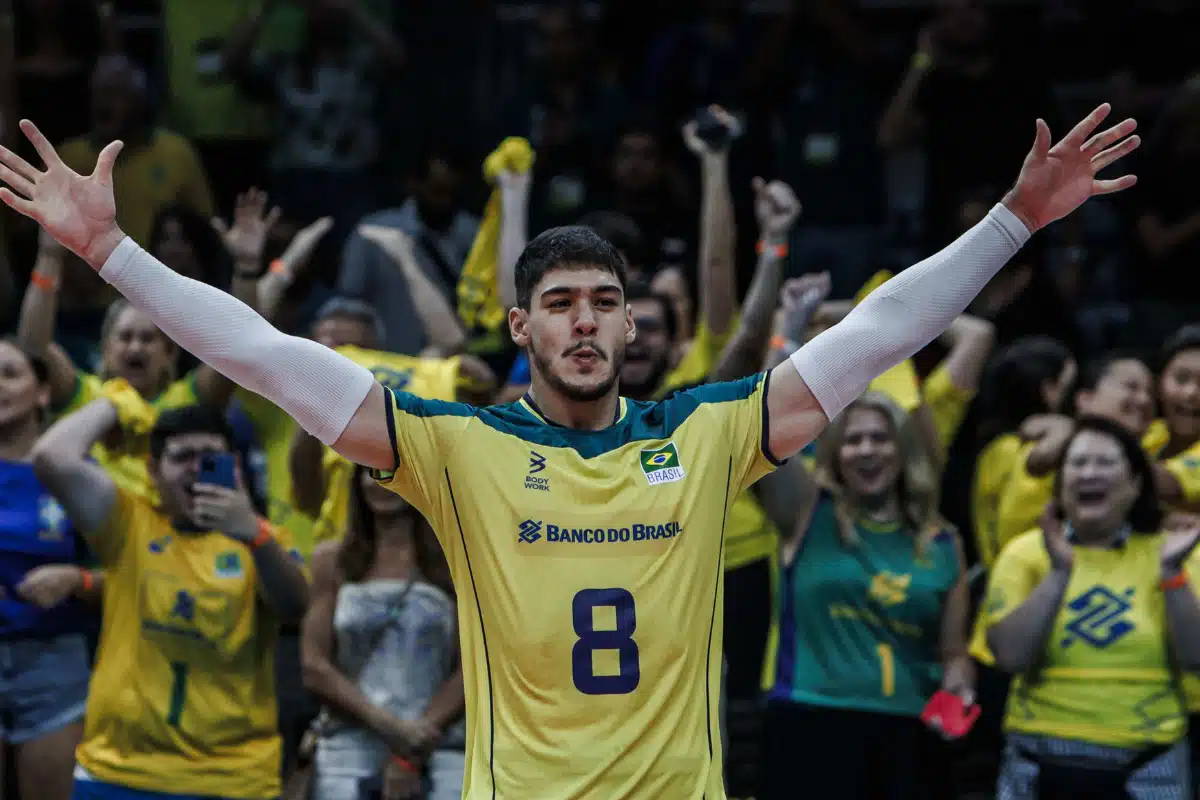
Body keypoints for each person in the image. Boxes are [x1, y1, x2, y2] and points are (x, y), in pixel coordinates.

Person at [0, 103, 1140, 798]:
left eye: (607, 301)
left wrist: (1013, 221)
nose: (587, 320)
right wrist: (112, 254)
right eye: (562, 302)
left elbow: (877, 334)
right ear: (522, 323)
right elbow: (262, 353)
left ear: (633, 326)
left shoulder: (704, 432)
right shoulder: (454, 445)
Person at [30, 401, 309, 800]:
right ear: (153, 471)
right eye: (182, 457)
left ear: (234, 466)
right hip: (118, 773)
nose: (197, 467)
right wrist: (121, 401)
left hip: (232, 779)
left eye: (210, 457)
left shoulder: (265, 541)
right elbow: (52, 456)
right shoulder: (128, 524)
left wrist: (253, 533)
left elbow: (295, 609)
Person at [756, 392, 971, 800]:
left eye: (880, 438)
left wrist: (958, 690)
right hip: (811, 722)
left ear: (903, 449)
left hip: (910, 734)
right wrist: (782, 335)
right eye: (853, 441)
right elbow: (766, 427)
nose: (866, 450)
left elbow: (953, 652)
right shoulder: (807, 511)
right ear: (835, 453)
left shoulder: (944, 543)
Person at [981, 417, 1200, 799]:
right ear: (1061, 483)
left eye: (1105, 463)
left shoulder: (1173, 552)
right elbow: (1009, 656)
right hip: (1038, 757)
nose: (1089, 473)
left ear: (1135, 483)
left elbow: (1195, 656)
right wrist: (1060, 572)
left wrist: (1171, 575)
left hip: (1149, 762)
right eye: (1078, 463)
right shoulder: (1025, 552)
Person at [302, 464, 465, 800]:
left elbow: (475, 669)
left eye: (395, 471)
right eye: (370, 470)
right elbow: (314, 667)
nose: (382, 481)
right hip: (349, 748)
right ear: (356, 481)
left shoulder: (459, 560)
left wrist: (412, 749)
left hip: (438, 746)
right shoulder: (332, 560)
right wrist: (391, 727)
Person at [0, 341, 97, 800]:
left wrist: (74, 581)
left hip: (53, 660)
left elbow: (122, 574)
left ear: (42, 393)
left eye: (9, 373)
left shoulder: (72, 471)